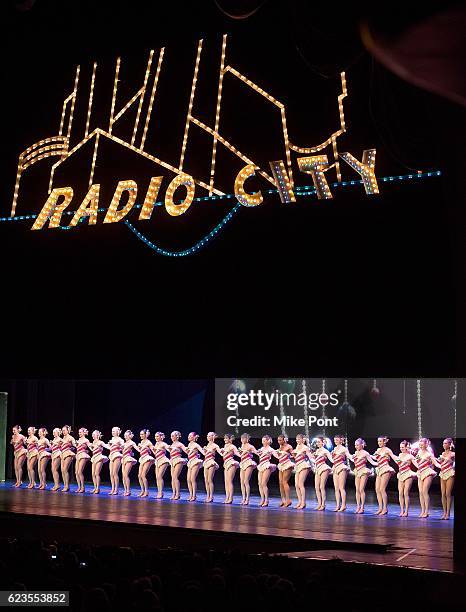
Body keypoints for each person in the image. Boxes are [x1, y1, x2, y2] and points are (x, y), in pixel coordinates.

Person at [349, 438, 377, 514]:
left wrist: (380, 463)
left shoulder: (365, 453)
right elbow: (351, 459)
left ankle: (362, 507)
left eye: (357, 445)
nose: (356, 446)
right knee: (357, 489)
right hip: (357, 471)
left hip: (364, 471)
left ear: (362, 445)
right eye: (355, 445)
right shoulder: (355, 453)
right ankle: (358, 506)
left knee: (361, 489)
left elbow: (373, 462)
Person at [372, 436, 396, 515]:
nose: (379, 443)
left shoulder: (387, 450)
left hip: (385, 469)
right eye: (378, 441)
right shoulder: (378, 450)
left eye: (380, 441)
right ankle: (380, 508)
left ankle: (385, 508)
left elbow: (394, 457)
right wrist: (367, 455)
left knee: (382, 489)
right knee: (377, 489)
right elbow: (375, 458)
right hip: (379, 469)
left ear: (384, 442)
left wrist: (402, 459)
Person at [413, 437, 437, 518]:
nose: (420, 446)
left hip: (428, 472)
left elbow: (435, 463)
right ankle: (422, 510)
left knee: (424, 491)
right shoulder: (419, 452)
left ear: (426, 445)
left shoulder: (429, 453)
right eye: (420, 444)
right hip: (420, 472)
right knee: (420, 492)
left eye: (422, 445)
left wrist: (442, 467)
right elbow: (416, 461)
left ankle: (426, 511)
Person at [393, 440, 417, 517]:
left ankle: (406, 511)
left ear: (407, 447)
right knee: (400, 493)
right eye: (400, 447)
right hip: (401, 474)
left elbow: (417, 465)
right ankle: (402, 510)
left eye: (403, 447)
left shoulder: (410, 456)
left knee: (405, 493)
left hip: (408, 474)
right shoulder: (399, 455)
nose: (401, 448)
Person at [331, 435, 352, 512]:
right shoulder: (335, 448)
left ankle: (343, 505)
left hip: (342, 467)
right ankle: (337, 505)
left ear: (341, 440)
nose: (335, 441)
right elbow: (334, 460)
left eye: (337, 440)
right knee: (336, 488)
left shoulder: (344, 449)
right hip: (336, 468)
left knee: (341, 487)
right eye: (334, 440)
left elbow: (349, 457)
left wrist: (357, 457)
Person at [235, 433, 257, 505]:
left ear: (247, 439)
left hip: (248, 463)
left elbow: (256, 452)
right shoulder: (242, 446)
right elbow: (240, 455)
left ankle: (247, 499)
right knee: (242, 482)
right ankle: (243, 498)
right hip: (242, 463)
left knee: (246, 481)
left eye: (244, 438)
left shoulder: (250, 446)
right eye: (241, 438)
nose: (242, 440)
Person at [273, 434, 294, 508]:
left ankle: (288, 500)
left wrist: (288, 455)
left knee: (285, 482)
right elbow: (279, 456)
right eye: (278, 440)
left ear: (284, 440)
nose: (279, 442)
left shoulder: (289, 446)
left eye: (280, 440)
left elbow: (294, 455)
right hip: (281, 465)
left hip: (287, 464)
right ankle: (283, 500)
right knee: (280, 483)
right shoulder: (280, 447)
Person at [292, 434, 313, 510]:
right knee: (296, 485)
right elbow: (296, 457)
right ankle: (299, 501)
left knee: (300, 484)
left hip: (304, 465)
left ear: (302, 439)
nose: (297, 440)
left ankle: (303, 502)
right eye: (296, 439)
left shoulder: (305, 448)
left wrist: (315, 462)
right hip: (298, 466)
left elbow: (310, 457)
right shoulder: (297, 447)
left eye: (298, 439)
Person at [436, 437, 455, 520]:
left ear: (450, 444)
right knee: (443, 494)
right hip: (443, 473)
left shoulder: (453, 454)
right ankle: (444, 513)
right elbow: (440, 463)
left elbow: (452, 462)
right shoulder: (442, 453)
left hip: (450, 473)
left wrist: (446, 459)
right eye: (443, 443)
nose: (444, 445)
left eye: (446, 443)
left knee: (448, 493)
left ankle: (448, 513)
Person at [255, 435, 277, 507]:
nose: (263, 442)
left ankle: (266, 500)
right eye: (262, 440)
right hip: (261, 465)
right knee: (259, 483)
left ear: (268, 441)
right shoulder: (261, 449)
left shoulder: (271, 449)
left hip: (267, 465)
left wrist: (283, 455)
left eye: (264, 441)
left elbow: (277, 456)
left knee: (264, 483)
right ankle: (262, 499)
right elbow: (258, 455)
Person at [313, 437, 333, 511]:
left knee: (321, 487)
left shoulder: (325, 451)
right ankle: (319, 504)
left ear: (323, 443)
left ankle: (323, 504)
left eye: (319, 442)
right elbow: (315, 461)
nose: (317, 443)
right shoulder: (317, 451)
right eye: (317, 442)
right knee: (316, 487)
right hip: (318, 469)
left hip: (324, 468)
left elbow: (332, 460)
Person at [183, 432, 204, 502]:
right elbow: (190, 453)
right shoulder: (189, 444)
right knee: (188, 479)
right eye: (188, 435)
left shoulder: (196, 445)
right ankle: (191, 494)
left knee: (192, 478)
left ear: (194, 437)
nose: (188, 437)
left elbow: (203, 452)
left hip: (195, 462)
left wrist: (207, 452)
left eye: (190, 436)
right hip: (190, 461)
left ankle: (194, 495)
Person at [219, 433, 239, 504]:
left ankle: (230, 498)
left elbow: (238, 454)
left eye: (226, 438)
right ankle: (227, 497)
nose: (225, 439)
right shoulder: (225, 446)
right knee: (226, 481)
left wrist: (246, 453)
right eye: (224, 438)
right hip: (226, 463)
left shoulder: (233, 446)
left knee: (229, 481)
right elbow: (223, 455)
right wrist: (221, 452)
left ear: (230, 439)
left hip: (231, 463)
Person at [203, 432, 221, 503]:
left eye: (209, 436)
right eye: (207, 436)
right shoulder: (207, 445)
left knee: (209, 480)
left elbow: (221, 453)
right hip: (206, 462)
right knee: (206, 480)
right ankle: (208, 495)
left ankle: (211, 496)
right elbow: (205, 454)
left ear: (212, 437)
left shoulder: (215, 445)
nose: (207, 437)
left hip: (211, 462)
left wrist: (225, 451)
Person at [169, 431, 186, 500]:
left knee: (175, 477)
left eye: (173, 436)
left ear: (177, 436)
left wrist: (194, 453)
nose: (172, 437)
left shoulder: (180, 444)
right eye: (171, 436)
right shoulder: (172, 444)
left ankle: (178, 494)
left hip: (178, 460)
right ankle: (174, 493)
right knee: (173, 478)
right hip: (172, 460)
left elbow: (186, 451)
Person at [152, 432, 170, 499]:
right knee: (157, 477)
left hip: (163, 460)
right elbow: (156, 453)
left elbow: (169, 450)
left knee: (159, 476)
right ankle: (159, 492)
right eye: (155, 436)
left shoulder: (164, 444)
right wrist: (153, 449)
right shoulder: (156, 444)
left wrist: (173, 449)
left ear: (161, 437)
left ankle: (161, 492)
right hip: (157, 460)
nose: (156, 438)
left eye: (157, 436)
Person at [138, 429, 155, 497]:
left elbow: (153, 450)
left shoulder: (149, 442)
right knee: (139, 476)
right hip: (142, 458)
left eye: (142, 434)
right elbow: (141, 450)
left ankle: (146, 491)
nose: (141, 436)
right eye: (140, 434)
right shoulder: (141, 442)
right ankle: (142, 490)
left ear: (146, 435)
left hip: (147, 458)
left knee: (143, 475)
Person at [108, 427, 124, 495]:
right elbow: (109, 447)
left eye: (114, 431)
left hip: (117, 455)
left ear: (118, 432)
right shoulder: (112, 439)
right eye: (112, 431)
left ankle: (116, 489)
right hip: (111, 455)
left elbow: (123, 447)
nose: (113, 432)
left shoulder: (120, 439)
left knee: (115, 473)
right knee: (111, 473)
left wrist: (118, 446)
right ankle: (113, 488)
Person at [121, 430, 138, 496]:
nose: (125, 437)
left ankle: (128, 490)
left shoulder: (132, 443)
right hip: (124, 458)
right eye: (125, 436)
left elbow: (137, 449)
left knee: (125, 475)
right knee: (123, 476)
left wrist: (144, 449)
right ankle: (125, 490)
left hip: (128, 459)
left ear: (130, 436)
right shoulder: (124, 444)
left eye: (127, 436)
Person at [75, 428, 92, 493]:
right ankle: (79, 487)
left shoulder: (86, 440)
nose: (79, 433)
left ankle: (83, 487)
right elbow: (77, 448)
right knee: (76, 472)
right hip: (78, 455)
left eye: (81, 432)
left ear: (84, 433)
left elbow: (91, 448)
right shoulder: (78, 440)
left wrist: (93, 448)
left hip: (83, 455)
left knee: (79, 472)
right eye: (79, 432)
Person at [60, 425, 76, 492]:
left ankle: (67, 486)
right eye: (62, 430)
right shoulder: (63, 438)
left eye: (64, 430)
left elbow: (75, 446)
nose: (63, 432)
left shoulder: (71, 438)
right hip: (63, 454)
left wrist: (72, 447)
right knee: (62, 470)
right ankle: (65, 485)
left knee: (65, 469)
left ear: (68, 431)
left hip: (68, 454)